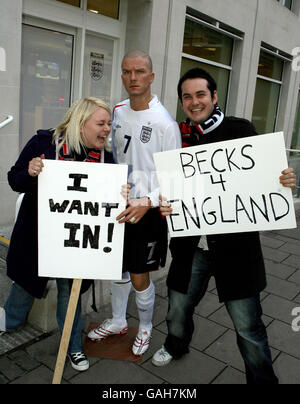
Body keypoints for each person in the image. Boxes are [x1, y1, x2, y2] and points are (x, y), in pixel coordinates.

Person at [151, 68, 296, 384]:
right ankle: (176, 345)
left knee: (248, 326)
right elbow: (171, 189)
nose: (194, 101)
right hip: (193, 249)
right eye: (187, 96)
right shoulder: (176, 138)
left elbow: (265, 177)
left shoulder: (240, 130)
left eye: (200, 94)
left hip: (236, 250)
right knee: (177, 310)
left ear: (214, 97)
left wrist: (284, 180)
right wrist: (166, 205)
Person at [0, 97, 128, 372]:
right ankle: (9, 324)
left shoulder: (106, 156)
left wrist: (121, 194)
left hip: (77, 242)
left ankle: (73, 347)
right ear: (81, 123)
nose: (107, 129)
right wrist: (31, 171)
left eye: (109, 124)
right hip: (38, 236)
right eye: (101, 123)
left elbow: (110, 199)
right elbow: (14, 179)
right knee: (24, 285)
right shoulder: (44, 144)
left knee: (70, 295)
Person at [88, 51, 182, 355]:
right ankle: (118, 320)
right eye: (127, 71)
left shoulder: (166, 124)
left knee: (140, 276)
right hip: (118, 206)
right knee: (118, 270)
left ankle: (144, 327)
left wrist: (149, 200)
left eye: (140, 72)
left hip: (148, 211)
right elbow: (108, 150)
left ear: (151, 77)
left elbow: (174, 177)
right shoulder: (116, 110)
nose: (133, 78)